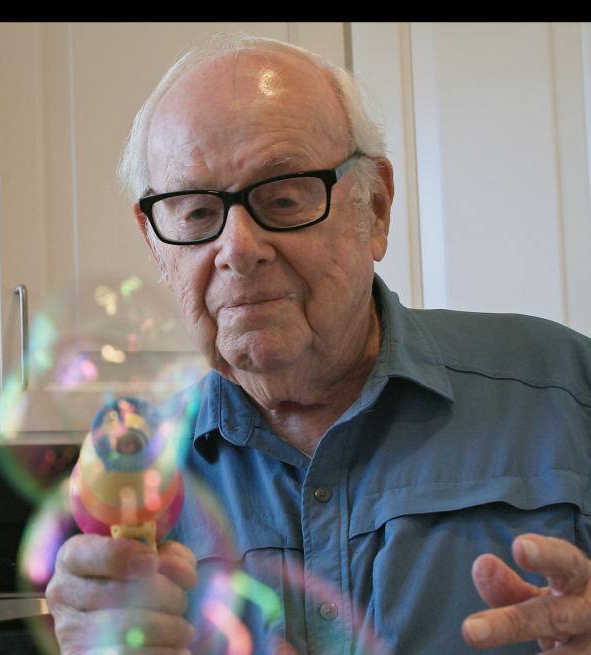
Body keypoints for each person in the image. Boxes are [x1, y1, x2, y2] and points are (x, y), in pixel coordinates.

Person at [46, 33, 591, 654]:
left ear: (375, 208)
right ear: (157, 246)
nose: (238, 249)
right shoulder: (129, 471)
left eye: (283, 198)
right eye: (196, 214)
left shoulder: (568, 391)